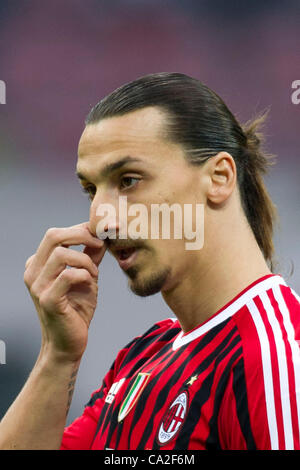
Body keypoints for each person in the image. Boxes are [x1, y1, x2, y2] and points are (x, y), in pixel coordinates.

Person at [0, 72, 299, 450]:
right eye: (91, 190)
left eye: (128, 180)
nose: (101, 221)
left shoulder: (275, 358)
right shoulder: (143, 357)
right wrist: (58, 355)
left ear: (219, 178)